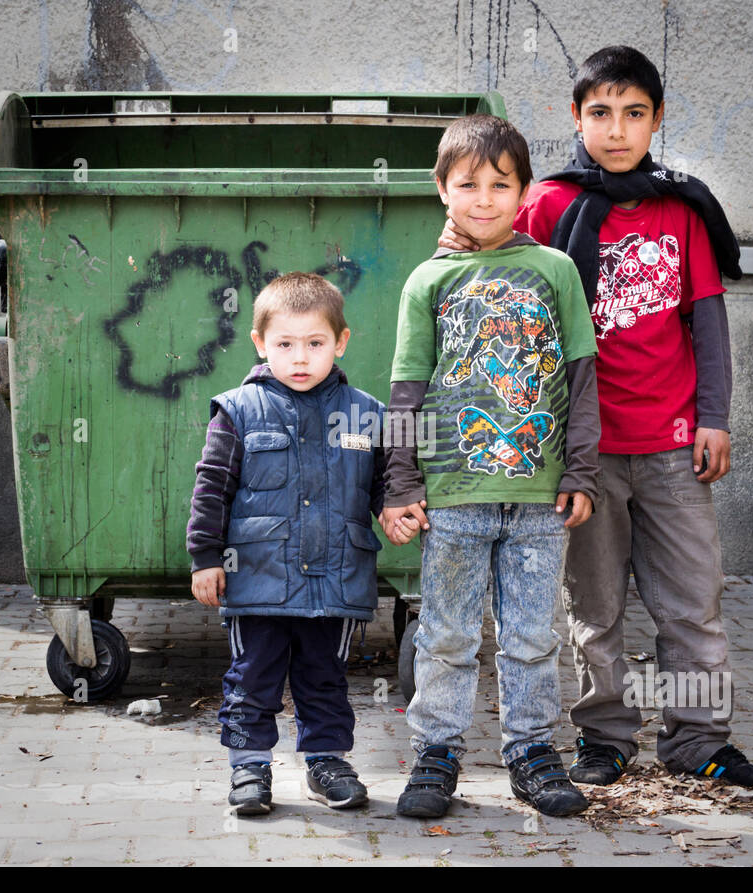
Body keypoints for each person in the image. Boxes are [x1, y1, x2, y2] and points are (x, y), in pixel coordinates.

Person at [440, 45, 753, 788]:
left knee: (692, 603)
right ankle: (604, 736)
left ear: (656, 120)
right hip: (581, 450)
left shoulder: (682, 209)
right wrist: (457, 245)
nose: (617, 130)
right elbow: (486, 261)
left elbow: (708, 322)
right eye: (600, 113)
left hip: (673, 443)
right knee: (594, 607)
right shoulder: (547, 204)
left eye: (633, 114)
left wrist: (714, 416)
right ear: (576, 118)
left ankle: (698, 739)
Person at [381, 113, 602, 819]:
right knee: (446, 634)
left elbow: (582, 379)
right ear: (442, 190)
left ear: (524, 190)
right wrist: (402, 482)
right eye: (467, 184)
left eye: (499, 185)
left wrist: (580, 472)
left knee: (533, 637)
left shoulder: (555, 271)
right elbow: (407, 389)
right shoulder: (428, 281)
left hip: (540, 500)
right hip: (454, 496)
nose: (483, 199)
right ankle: (436, 755)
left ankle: (532, 753)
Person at [187, 272, 387, 815]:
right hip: (257, 579)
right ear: (260, 344)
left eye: (315, 343)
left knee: (324, 677)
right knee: (252, 678)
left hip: (335, 580)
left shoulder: (366, 412)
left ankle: (327, 762)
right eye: (285, 345)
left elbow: (386, 481)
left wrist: (397, 508)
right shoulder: (238, 411)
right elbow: (212, 488)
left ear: (341, 342)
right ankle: (249, 768)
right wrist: (206, 558)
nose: (300, 358)